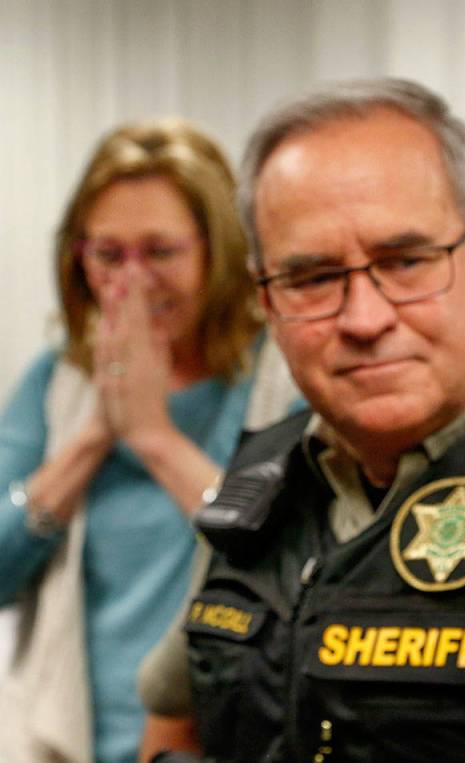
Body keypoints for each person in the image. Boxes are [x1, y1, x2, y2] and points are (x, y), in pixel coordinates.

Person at [136, 78, 465, 763]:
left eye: (406, 261)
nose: (364, 318)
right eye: (312, 278)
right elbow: (172, 719)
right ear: (266, 300)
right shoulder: (261, 485)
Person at [0, 118, 300, 763]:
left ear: (216, 252)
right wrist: (92, 438)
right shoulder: (58, 384)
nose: (130, 283)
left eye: (160, 253)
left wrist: (154, 438)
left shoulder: (280, 373)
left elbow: (289, 561)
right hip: (68, 740)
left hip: (226, 740)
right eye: (107, 255)